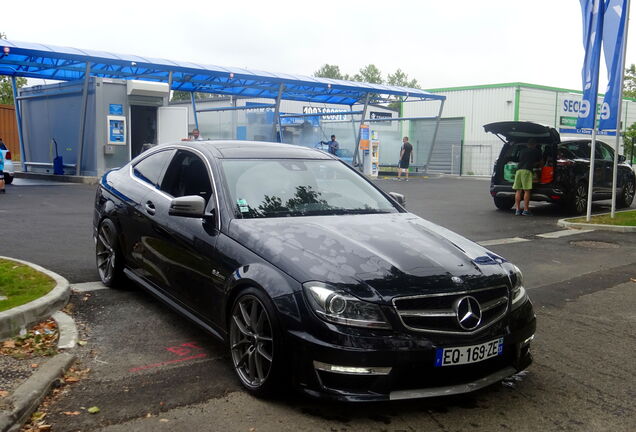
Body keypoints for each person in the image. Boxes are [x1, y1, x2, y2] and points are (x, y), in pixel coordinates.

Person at [513, 138, 543, 216]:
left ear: (527, 144)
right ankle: (526, 210)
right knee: (526, 190)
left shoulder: (522, 151)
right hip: (526, 171)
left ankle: (517, 210)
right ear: (535, 145)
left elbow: (521, 159)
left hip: (518, 171)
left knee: (518, 190)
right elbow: (541, 162)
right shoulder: (536, 151)